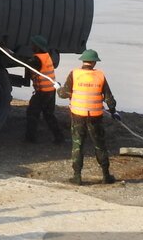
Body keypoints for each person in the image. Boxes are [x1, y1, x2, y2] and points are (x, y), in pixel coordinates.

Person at [57, 49, 119, 185]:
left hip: (78, 115)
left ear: (83, 61)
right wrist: (113, 111)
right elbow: (109, 98)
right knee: (100, 145)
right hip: (95, 117)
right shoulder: (100, 76)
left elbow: (63, 94)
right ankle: (105, 175)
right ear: (94, 62)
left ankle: (77, 176)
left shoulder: (74, 74)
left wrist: (58, 88)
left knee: (77, 145)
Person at [24, 35, 64, 145]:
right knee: (49, 115)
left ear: (37, 47)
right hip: (51, 91)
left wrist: (9, 53)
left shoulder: (37, 59)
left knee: (32, 113)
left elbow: (25, 62)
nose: (31, 46)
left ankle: (30, 138)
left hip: (43, 92)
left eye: (33, 45)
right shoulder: (46, 56)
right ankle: (59, 137)